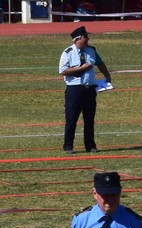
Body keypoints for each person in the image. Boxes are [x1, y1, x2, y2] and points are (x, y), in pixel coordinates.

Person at [59, 25, 110, 154]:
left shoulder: (91, 51)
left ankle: (90, 145)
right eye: (85, 37)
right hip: (74, 90)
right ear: (78, 39)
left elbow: (100, 63)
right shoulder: (68, 53)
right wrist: (81, 68)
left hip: (89, 89)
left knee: (89, 119)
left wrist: (107, 75)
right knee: (71, 119)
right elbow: (63, 71)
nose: (88, 39)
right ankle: (68, 146)